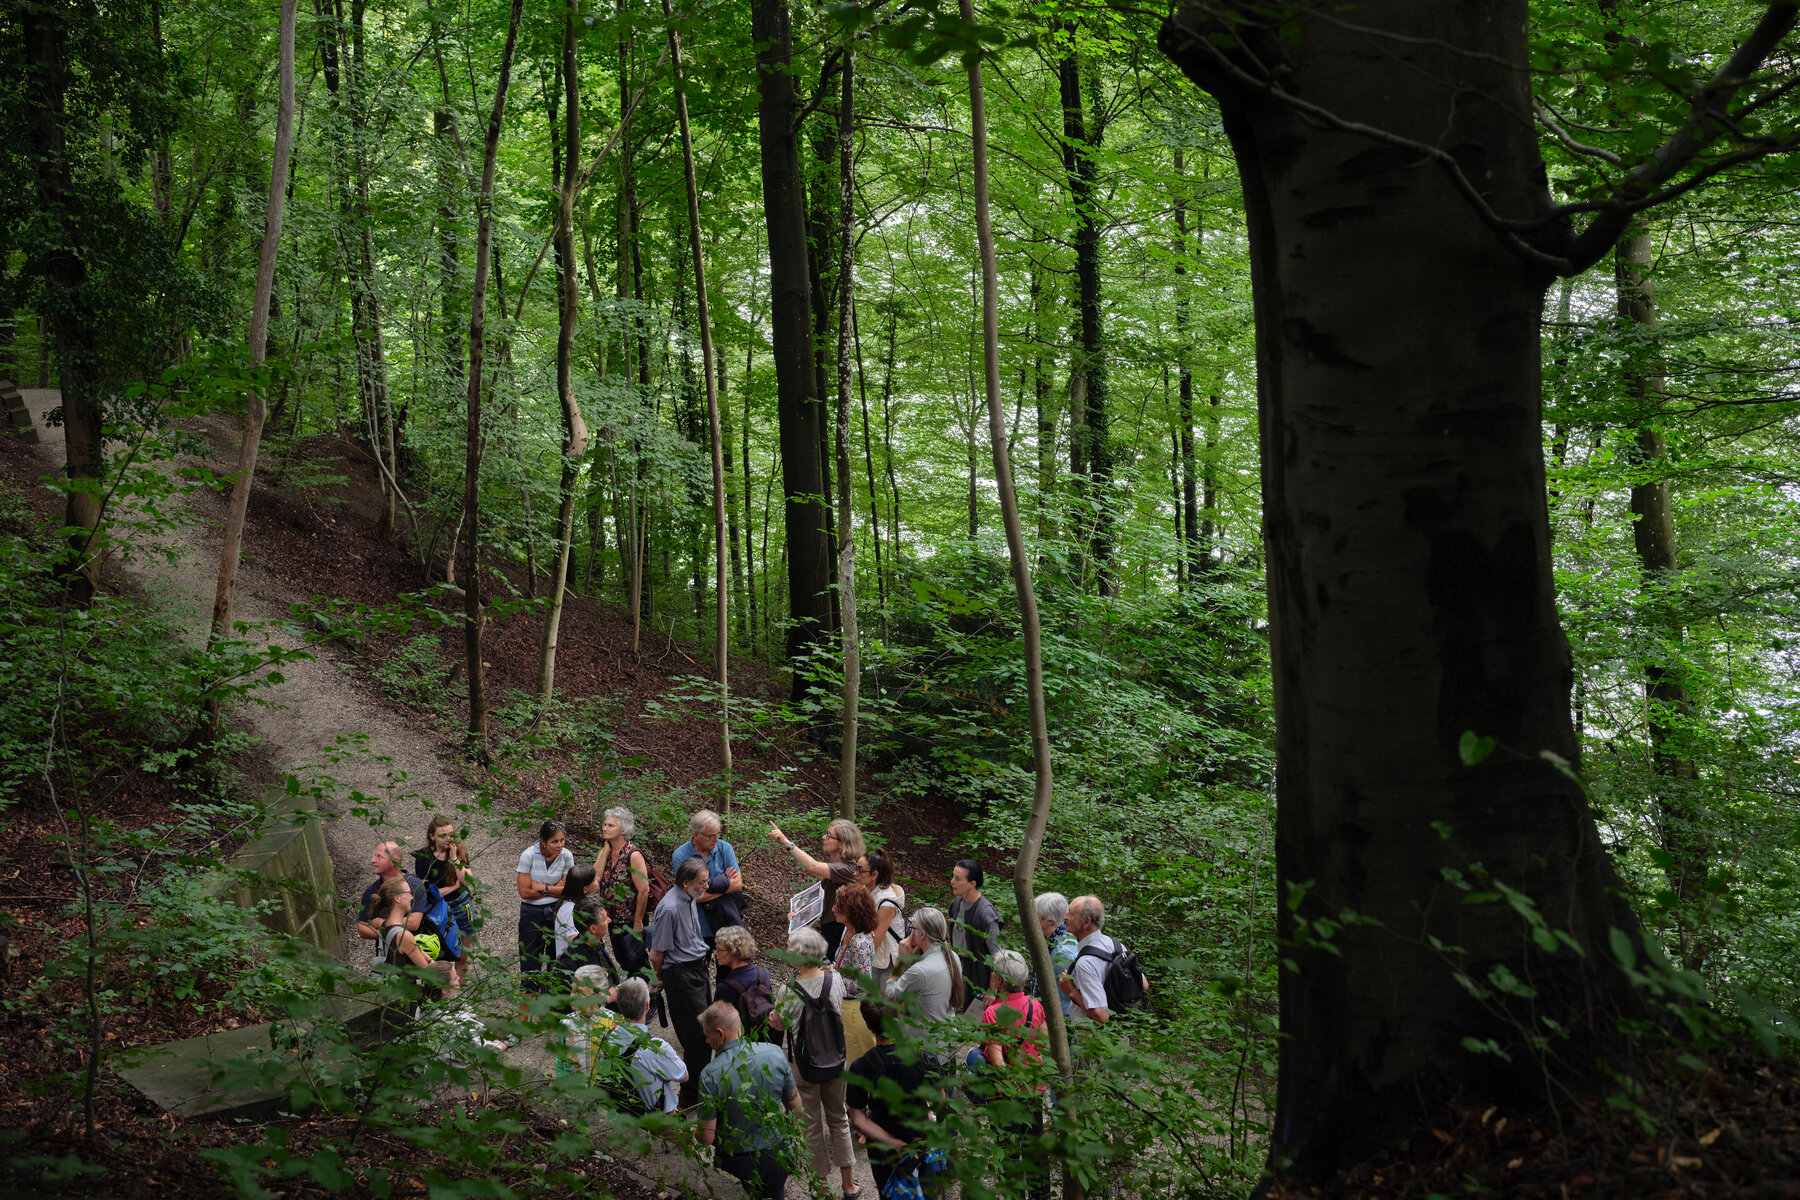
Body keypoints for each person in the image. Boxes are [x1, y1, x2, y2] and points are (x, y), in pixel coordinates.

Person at [770, 927, 857, 1200]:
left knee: (810, 1128)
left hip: (804, 1066)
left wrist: (774, 1015)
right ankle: (849, 1185)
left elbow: (778, 1023)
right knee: (839, 1119)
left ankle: (820, 1189)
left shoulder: (788, 991)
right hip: (835, 1060)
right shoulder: (836, 979)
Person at [697, 1001, 802, 1200]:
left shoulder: (710, 1075)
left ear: (720, 1033)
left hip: (736, 1163)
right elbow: (796, 1108)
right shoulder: (775, 1052)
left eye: (707, 1035)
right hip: (777, 1154)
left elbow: (707, 1137)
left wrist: (694, 1132)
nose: (705, 1041)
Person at [846, 1002, 936, 1198]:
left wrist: (895, 1143)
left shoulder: (861, 1067)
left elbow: (857, 1119)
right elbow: (941, 1100)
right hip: (921, 1139)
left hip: (883, 1147)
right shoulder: (922, 1057)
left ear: (869, 1027)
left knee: (890, 1192)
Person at [650, 856, 712, 1106]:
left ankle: (701, 1089)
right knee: (695, 1037)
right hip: (681, 976)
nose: (707, 886)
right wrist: (661, 979)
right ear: (686, 884)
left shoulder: (690, 898)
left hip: (698, 970)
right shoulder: (669, 907)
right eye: (703, 882)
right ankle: (689, 1097)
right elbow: (657, 954)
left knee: (706, 1033)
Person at [882, 907, 963, 1064]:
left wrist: (900, 960)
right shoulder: (952, 957)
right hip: (947, 1044)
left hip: (925, 1052)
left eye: (912, 928)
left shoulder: (921, 970)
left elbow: (891, 992)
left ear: (922, 934)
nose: (910, 931)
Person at [595, 976, 687, 1114]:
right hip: (655, 1118)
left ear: (619, 1006)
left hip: (624, 1112)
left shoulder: (607, 1038)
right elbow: (683, 1075)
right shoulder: (656, 1047)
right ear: (647, 1006)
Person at [1059, 894, 1147, 1025]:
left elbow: (1101, 1015)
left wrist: (1071, 991)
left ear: (1086, 922)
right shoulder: (1115, 945)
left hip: (1094, 1039)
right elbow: (1144, 984)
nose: (1065, 916)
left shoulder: (1085, 962)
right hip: (1122, 1032)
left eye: (1071, 913)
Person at [368, 876, 456, 996]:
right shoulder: (403, 936)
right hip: (407, 997)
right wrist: (451, 977)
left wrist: (431, 961)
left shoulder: (385, 925)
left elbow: (415, 948)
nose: (412, 897)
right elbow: (430, 975)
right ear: (398, 898)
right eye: (409, 892)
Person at [516, 821, 573, 1000]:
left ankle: (551, 1003)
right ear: (543, 842)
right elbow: (524, 891)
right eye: (555, 841)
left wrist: (541, 887)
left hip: (558, 911)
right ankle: (528, 1005)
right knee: (530, 960)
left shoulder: (567, 856)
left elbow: (568, 889)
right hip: (531, 913)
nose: (560, 845)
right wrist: (555, 888)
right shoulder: (528, 855)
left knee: (556, 958)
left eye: (562, 840)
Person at [593, 806, 651, 972]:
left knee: (638, 965)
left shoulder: (633, 855)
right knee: (623, 961)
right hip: (612, 921)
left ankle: (650, 997)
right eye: (604, 824)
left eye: (610, 825)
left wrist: (638, 922)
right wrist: (604, 852)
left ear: (623, 830)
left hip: (631, 922)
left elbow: (643, 890)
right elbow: (595, 880)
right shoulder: (606, 853)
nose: (605, 828)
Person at [671, 808, 743, 940]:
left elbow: (737, 884)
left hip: (725, 920)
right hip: (697, 925)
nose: (716, 839)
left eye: (717, 835)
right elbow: (690, 895)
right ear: (696, 834)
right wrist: (724, 882)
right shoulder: (680, 856)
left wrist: (705, 888)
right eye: (711, 836)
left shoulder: (724, 848)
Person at [830, 882, 878, 1063]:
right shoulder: (847, 931)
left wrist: (831, 976)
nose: (834, 909)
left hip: (855, 1011)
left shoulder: (860, 943)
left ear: (852, 910)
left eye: (839, 906)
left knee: (856, 1062)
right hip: (845, 1006)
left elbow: (861, 985)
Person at [414, 816, 476, 941]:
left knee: (464, 955)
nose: (449, 839)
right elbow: (428, 893)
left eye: (451, 834)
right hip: (438, 909)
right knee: (443, 951)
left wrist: (454, 859)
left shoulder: (458, 851)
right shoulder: (424, 857)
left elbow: (466, 881)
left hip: (462, 906)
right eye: (443, 835)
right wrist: (455, 886)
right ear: (432, 836)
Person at [949, 859, 1001, 1006]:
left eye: (957, 878)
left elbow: (997, 956)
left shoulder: (986, 915)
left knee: (973, 1017)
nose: (952, 881)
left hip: (979, 974)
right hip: (958, 966)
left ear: (972, 884)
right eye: (953, 876)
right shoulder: (956, 904)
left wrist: (992, 989)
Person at [356, 841, 430, 945]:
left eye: (379, 857)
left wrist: (382, 924)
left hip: (413, 950)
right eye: (374, 856)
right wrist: (388, 934)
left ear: (394, 861)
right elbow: (362, 928)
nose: (372, 860)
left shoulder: (413, 885)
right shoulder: (372, 890)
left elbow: (414, 922)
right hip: (385, 956)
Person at [556, 963, 620, 1078]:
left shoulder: (614, 1025)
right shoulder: (565, 1024)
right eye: (572, 990)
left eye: (578, 992)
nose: (572, 996)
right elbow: (562, 1065)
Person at [713, 925, 776, 1042]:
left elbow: (716, 1026)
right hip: (766, 1042)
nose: (715, 953)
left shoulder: (725, 988)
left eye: (719, 950)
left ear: (734, 952)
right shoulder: (764, 974)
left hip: (740, 1049)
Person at [859, 848, 906, 991]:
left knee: (884, 1008)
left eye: (860, 870)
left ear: (874, 875)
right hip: (874, 960)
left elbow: (875, 941)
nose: (855, 873)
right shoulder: (868, 890)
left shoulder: (886, 904)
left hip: (888, 963)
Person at [1029, 891, 1080, 1020]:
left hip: (1057, 1023)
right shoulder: (1053, 941)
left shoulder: (1063, 953)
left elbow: (1067, 996)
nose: (1032, 919)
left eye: (1036, 916)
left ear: (1049, 921)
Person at [553, 895, 619, 992]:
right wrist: (607, 998)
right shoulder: (570, 964)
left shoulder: (597, 945)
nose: (609, 920)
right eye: (605, 919)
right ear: (593, 928)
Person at [553, 864, 599, 957]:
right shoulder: (571, 911)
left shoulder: (568, 903)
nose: (598, 879)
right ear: (585, 889)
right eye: (594, 880)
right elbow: (575, 945)